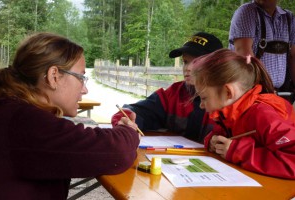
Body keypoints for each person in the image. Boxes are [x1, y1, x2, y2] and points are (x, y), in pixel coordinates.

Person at [0, 32, 140, 200]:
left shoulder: (11, 108)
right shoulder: (24, 121)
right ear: (54, 76)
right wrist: (128, 130)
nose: (85, 89)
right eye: (81, 77)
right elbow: (118, 152)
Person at [191, 48, 295, 179]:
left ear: (228, 92)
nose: (201, 105)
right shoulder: (228, 114)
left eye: (204, 97)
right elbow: (227, 137)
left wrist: (237, 151)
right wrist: (213, 141)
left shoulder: (263, 115)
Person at [111, 32, 223, 143]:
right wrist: (125, 121)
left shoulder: (228, 99)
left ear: (216, 65)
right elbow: (136, 111)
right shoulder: (173, 94)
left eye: (196, 62)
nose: (187, 68)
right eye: (185, 62)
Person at [229, 0, 295, 102]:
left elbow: (293, 56)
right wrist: (262, 87)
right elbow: (244, 53)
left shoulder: (288, 18)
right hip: (252, 93)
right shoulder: (247, 12)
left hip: (280, 94)